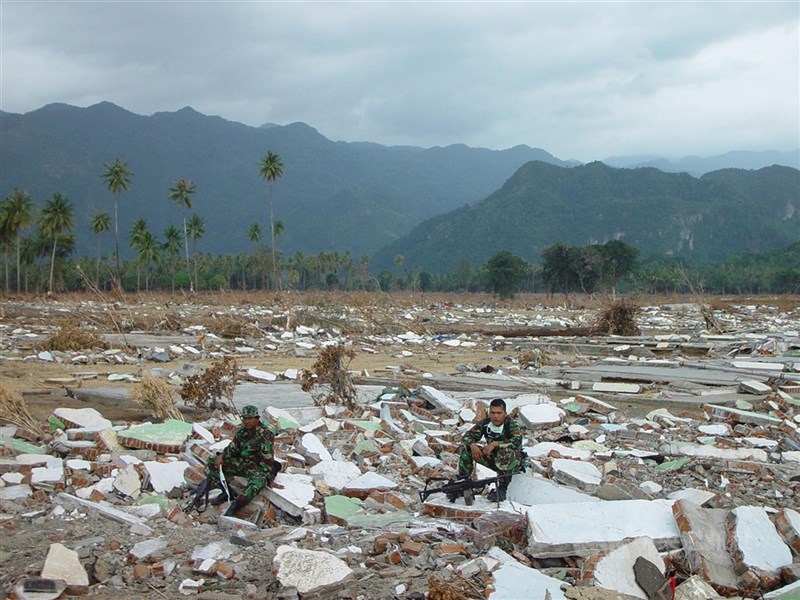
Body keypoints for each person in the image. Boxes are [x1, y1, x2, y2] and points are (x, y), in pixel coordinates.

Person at [205, 405, 277, 517]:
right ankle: (226, 492)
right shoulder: (241, 431)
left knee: (255, 486)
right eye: (244, 419)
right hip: (242, 464)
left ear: (257, 419)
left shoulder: (265, 434)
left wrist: (269, 477)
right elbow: (232, 448)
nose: (247, 421)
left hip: (258, 468)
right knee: (212, 461)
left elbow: (268, 460)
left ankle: (235, 506)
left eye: (250, 418)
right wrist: (222, 456)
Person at [458, 398, 523, 501]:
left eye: (499, 413)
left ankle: (502, 488)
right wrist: (472, 445)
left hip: (511, 463)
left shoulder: (511, 425)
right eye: (493, 413)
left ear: (505, 413)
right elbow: (467, 436)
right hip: (492, 458)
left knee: (506, 453)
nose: (495, 416)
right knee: (467, 450)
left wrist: (495, 444)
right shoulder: (485, 423)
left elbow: (517, 442)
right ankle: (463, 483)